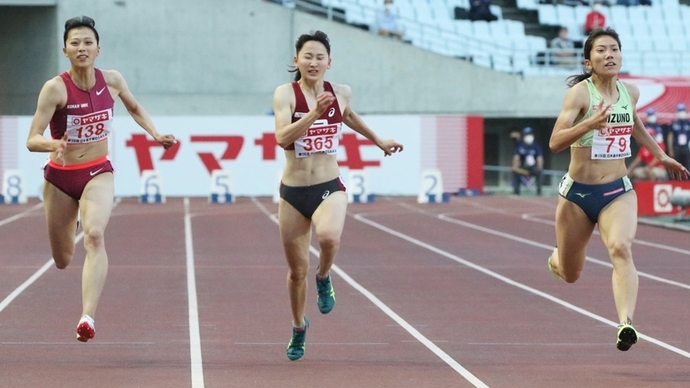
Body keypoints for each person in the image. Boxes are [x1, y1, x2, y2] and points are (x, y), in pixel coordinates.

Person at [25, 16, 176, 342]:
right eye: (75, 43)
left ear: (98, 48)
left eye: (87, 42)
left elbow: (134, 108)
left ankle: (87, 317)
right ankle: (72, 221)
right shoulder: (55, 88)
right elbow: (31, 139)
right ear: (64, 49)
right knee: (63, 259)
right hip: (59, 179)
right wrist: (53, 144)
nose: (82, 48)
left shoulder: (113, 80)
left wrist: (155, 133)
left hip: (96, 172)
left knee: (95, 236)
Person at [546, 28, 689, 352]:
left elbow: (634, 124)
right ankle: (556, 258)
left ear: (621, 56)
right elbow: (555, 142)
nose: (609, 54)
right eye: (601, 51)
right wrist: (588, 124)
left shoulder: (631, 92)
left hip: (617, 190)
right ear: (588, 61)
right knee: (570, 274)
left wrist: (660, 154)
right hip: (578, 195)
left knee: (621, 248)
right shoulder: (580, 95)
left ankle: (626, 323)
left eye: (614, 49)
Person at [272, 30, 403, 361]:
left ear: (330, 63)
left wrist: (377, 140)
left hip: (328, 185)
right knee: (295, 272)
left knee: (329, 238)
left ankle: (325, 275)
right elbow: (281, 136)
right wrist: (314, 115)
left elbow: (347, 115)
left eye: (320, 57)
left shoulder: (340, 92)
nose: (313, 62)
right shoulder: (285, 95)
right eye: (307, 56)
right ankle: (299, 326)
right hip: (292, 193)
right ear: (296, 60)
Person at [511, 127, 544, 195]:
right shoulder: (520, 146)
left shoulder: (536, 147)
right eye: (527, 135)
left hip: (533, 168)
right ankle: (516, 191)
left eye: (530, 134)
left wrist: (539, 167)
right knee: (516, 172)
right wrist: (515, 167)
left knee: (540, 172)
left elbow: (539, 158)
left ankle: (539, 191)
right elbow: (516, 158)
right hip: (523, 168)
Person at [667, 103, 690, 171]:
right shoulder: (674, 123)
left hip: (686, 147)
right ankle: (677, 180)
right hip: (677, 147)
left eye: (682, 110)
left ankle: (687, 180)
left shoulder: (688, 123)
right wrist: (670, 150)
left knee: (687, 164)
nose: (681, 113)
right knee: (677, 165)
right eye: (680, 111)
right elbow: (670, 137)